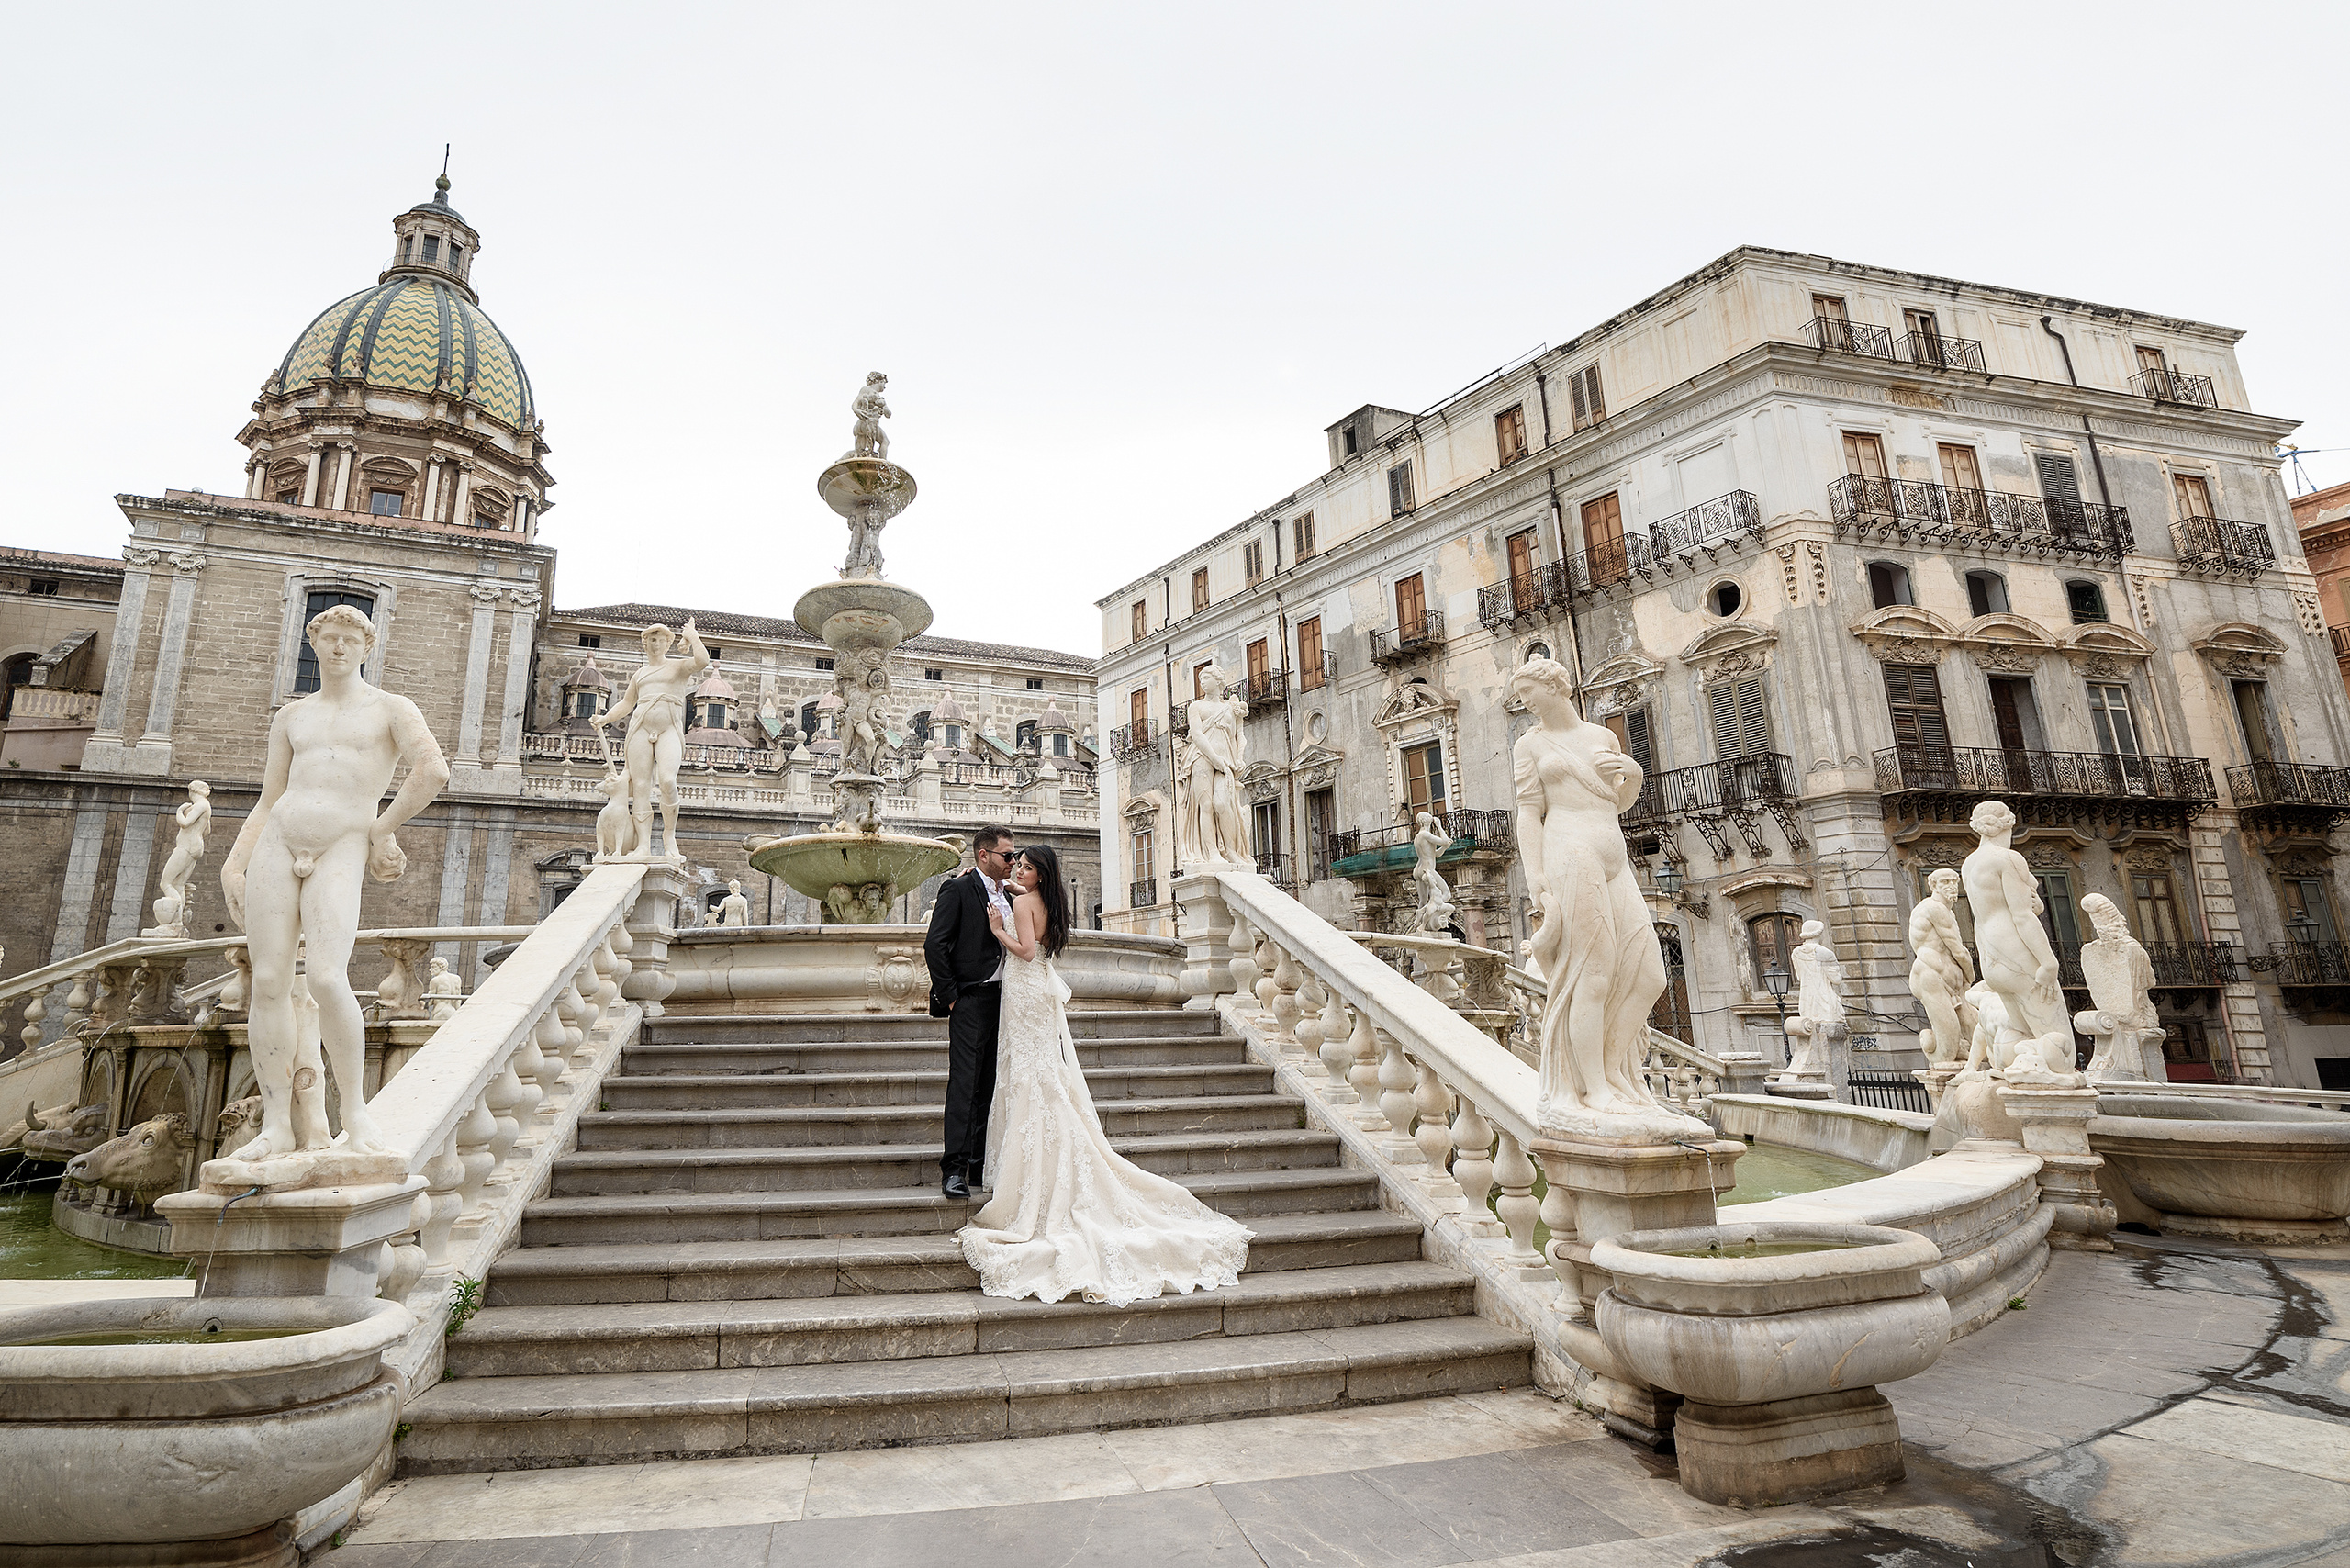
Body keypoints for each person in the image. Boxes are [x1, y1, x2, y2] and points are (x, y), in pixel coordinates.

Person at [959, 844, 1250, 1305]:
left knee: (1025, 1076)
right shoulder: (1048, 901)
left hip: (1023, 985)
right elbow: (1032, 915)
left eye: (1026, 866)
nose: (1018, 869)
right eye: (1018, 863)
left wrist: (999, 931)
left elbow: (1028, 953)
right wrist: (1013, 888)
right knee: (1039, 1073)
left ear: (1039, 874)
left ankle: (1029, 1176)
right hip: (1037, 997)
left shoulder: (1020, 903)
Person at [218, 604, 449, 1165]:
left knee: (325, 976)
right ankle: (276, 1124)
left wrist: (382, 829)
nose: (339, 648)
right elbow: (270, 798)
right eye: (330, 639)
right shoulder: (292, 717)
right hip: (278, 840)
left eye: (351, 639)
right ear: (314, 646)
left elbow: (434, 770)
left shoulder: (391, 709)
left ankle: (356, 1114)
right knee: (269, 979)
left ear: (367, 648)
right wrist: (233, 861)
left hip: (341, 842)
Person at [925, 825, 1016, 1200]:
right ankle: (954, 1169)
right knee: (965, 1083)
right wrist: (951, 996)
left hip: (1006, 999)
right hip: (970, 998)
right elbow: (935, 944)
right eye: (1006, 856)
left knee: (989, 1083)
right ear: (983, 855)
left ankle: (980, 1163)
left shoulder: (1008, 892)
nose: (1012, 861)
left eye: (1014, 856)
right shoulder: (959, 889)